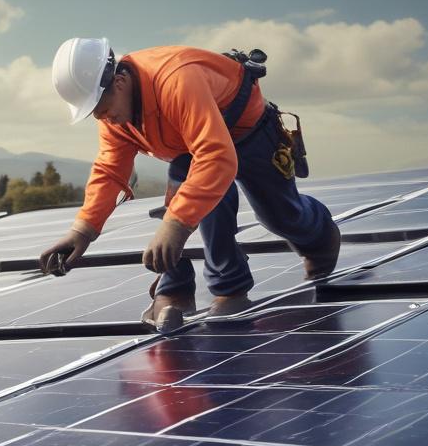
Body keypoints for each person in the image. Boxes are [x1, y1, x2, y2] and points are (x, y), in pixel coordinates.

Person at [40, 39, 340, 332]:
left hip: (250, 135)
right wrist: (83, 230)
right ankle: (203, 288)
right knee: (190, 192)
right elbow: (110, 169)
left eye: (102, 109)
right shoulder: (112, 114)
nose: (104, 119)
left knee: (280, 217)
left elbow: (216, 157)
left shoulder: (176, 80)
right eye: (95, 113)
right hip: (194, 152)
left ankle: (321, 235)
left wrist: (177, 224)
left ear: (119, 82)